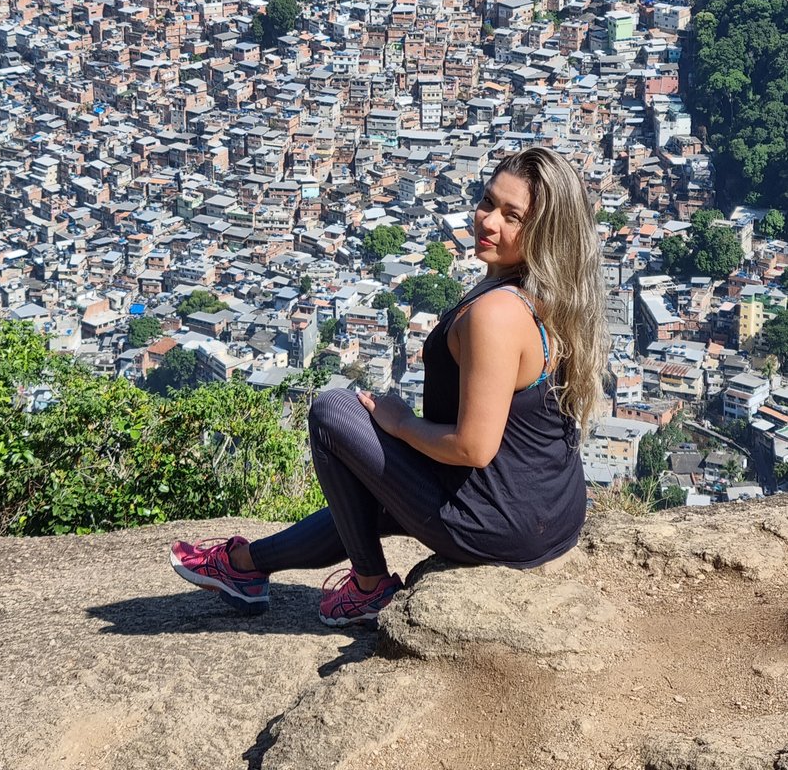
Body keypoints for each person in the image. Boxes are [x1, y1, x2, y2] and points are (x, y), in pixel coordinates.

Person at [170, 147, 609, 627]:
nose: (488, 221)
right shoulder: (553, 293)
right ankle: (244, 567)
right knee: (367, 497)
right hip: (553, 509)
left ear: (544, 232)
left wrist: (401, 423)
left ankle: (369, 587)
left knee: (334, 413)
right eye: (488, 202)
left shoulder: (498, 314)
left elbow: (473, 447)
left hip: (499, 521)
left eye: (513, 216)